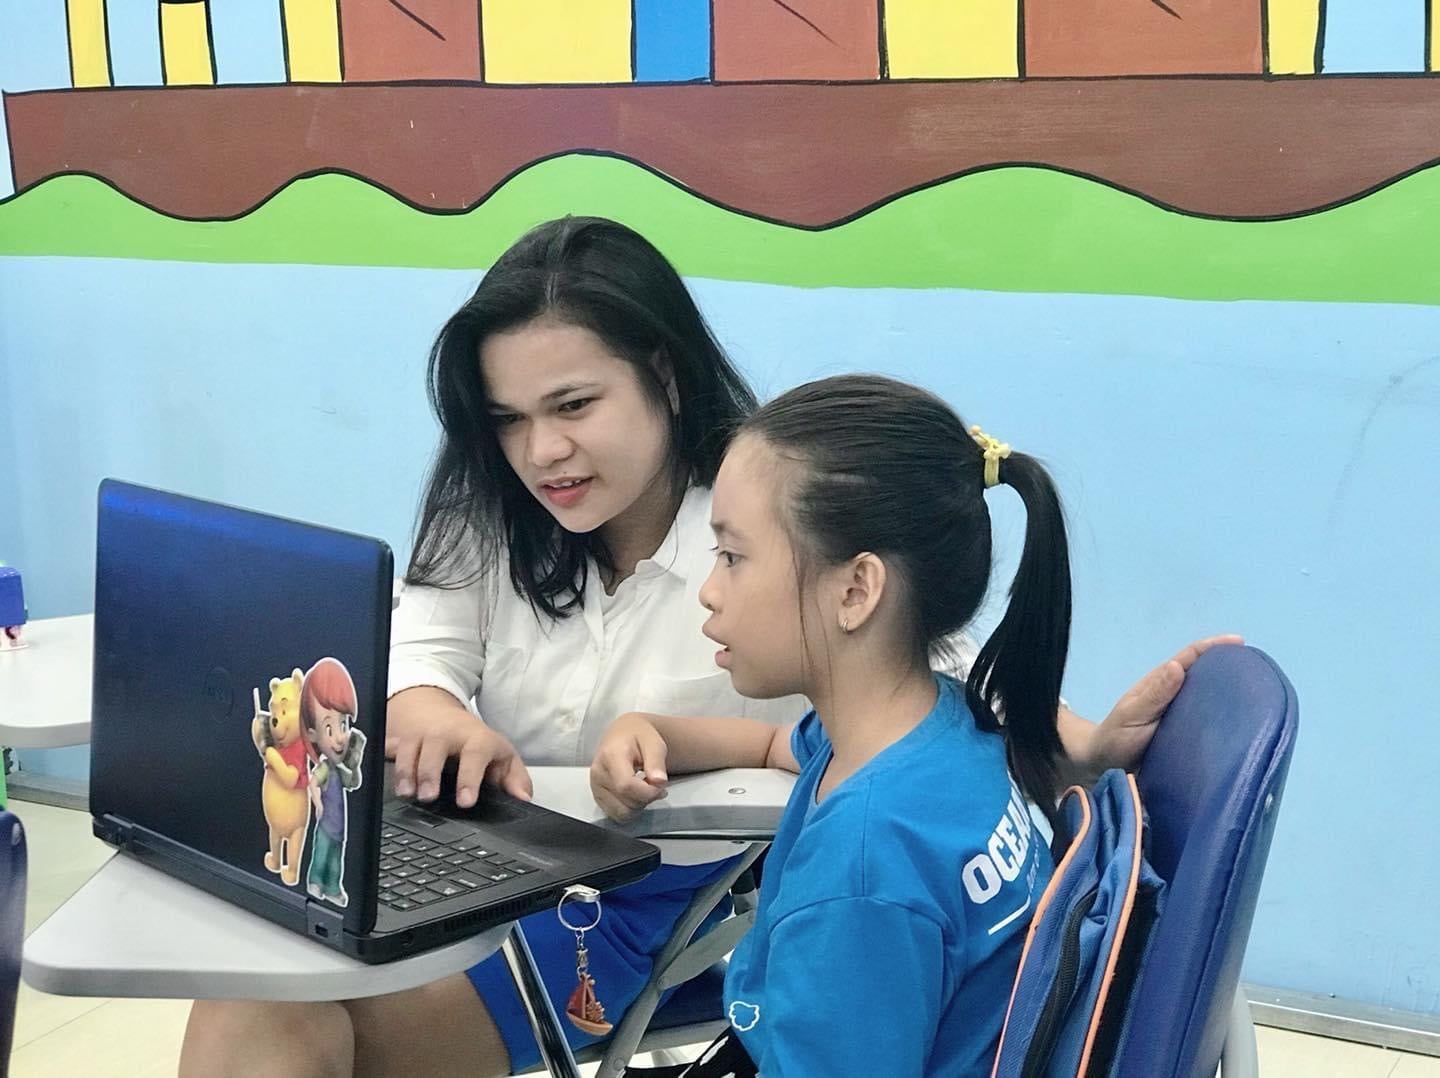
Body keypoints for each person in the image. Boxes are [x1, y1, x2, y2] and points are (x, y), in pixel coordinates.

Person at [180, 218, 1236, 1078]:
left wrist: (1074, 739)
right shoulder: (495, 503)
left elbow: (929, 671)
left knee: (275, 1014)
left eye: (574, 405)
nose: (541, 451)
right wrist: (437, 716)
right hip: (475, 860)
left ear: (665, 377)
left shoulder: (769, 522)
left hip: (621, 908)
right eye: (508, 419)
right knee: (253, 997)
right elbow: (421, 647)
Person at [589, 374, 1222, 1075]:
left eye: (733, 557)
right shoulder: (939, 726)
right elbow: (774, 744)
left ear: (856, 590)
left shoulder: (864, 870)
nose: (709, 591)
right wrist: (655, 731)